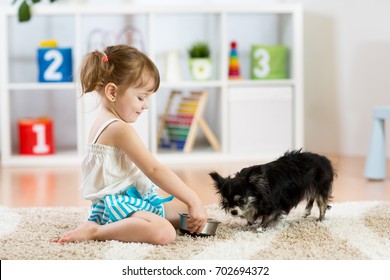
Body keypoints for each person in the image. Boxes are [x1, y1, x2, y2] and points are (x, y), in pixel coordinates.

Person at [53, 45, 208, 245]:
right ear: (112, 92)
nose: (146, 105)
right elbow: (154, 169)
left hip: (126, 201)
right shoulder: (119, 129)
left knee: (183, 215)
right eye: (141, 97)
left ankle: (124, 224)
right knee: (164, 232)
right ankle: (96, 231)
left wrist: (190, 205)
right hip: (115, 207)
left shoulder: (104, 120)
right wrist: (193, 198)